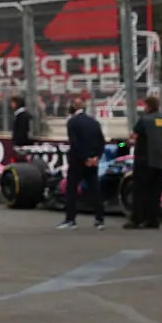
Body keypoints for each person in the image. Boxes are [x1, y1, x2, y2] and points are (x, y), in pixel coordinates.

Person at [58, 98, 106, 230]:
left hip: (78, 160)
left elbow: (75, 143)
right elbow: (101, 141)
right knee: (95, 189)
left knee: (71, 189)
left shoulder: (72, 122)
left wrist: (85, 157)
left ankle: (70, 219)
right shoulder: (94, 122)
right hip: (93, 160)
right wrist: (96, 157)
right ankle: (99, 219)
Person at [125, 95, 162, 229]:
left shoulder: (144, 120)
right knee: (155, 192)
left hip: (145, 160)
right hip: (160, 160)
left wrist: (122, 144)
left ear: (148, 106)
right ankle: (153, 220)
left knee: (140, 191)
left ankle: (137, 219)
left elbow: (133, 136)